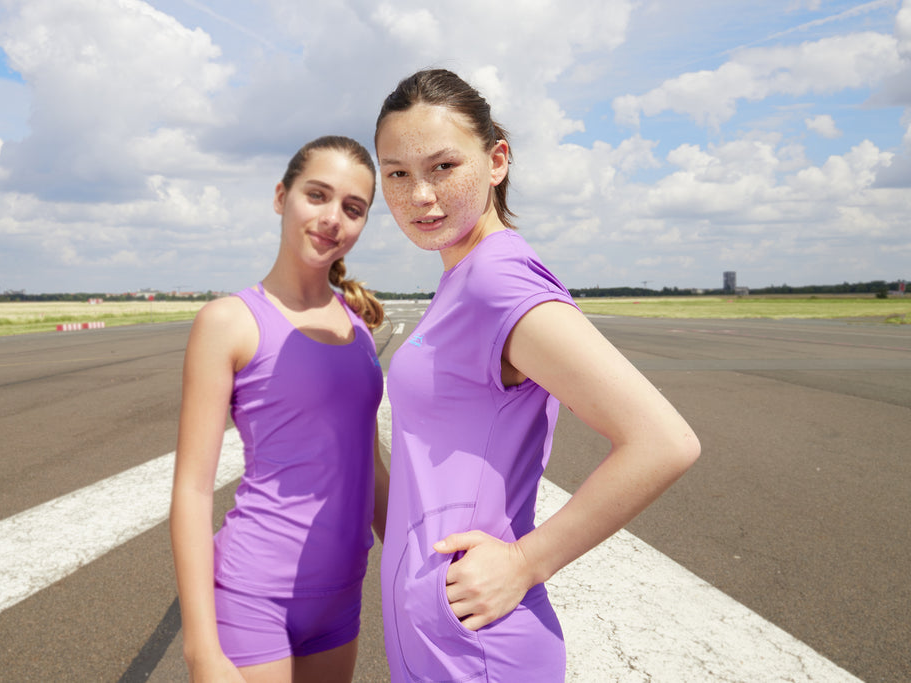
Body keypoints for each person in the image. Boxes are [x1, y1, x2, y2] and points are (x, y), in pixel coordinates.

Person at [373, 69, 701, 681]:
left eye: (443, 166)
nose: (420, 195)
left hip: (479, 647)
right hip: (437, 633)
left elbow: (664, 441)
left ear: (497, 160)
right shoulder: (461, 280)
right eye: (397, 172)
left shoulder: (499, 283)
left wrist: (526, 561)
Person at [169, 135, 390, 683]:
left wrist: (424, 570)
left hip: (341, 597)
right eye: (317, 195)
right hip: (254, 596)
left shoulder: (357, 327)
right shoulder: (228, 322)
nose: (332, 218)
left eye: (352, 207)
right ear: (280, 196)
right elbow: (192, 490)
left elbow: (371, 468)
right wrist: (201, 650)